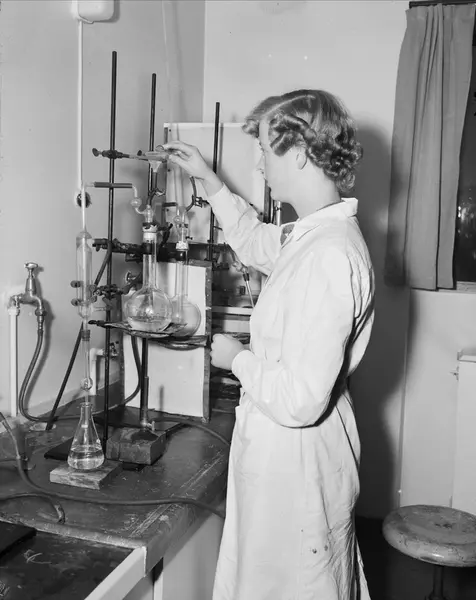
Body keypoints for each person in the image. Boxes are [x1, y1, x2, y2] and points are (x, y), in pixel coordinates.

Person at [164, 89, 374, 600]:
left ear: (298, 152)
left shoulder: (329, 255)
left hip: (296, 461)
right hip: (286, 454)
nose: (258, 164)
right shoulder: (312, 236)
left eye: (263, 149)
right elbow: (254, 240)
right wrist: (208, 179)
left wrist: (237, 359)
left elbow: (301, 399)